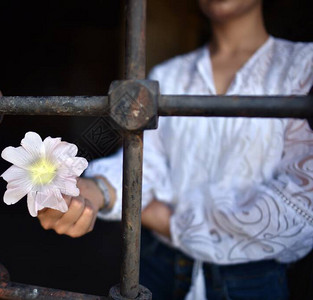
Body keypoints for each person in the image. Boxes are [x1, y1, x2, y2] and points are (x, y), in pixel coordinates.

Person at [37, 0, 313, 298]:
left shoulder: (303, 66)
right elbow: (146, 163)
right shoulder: (169, 75)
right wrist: (93, 189)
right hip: (157, 266)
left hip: (253, 279)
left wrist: (157, 215)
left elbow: (299, 205)